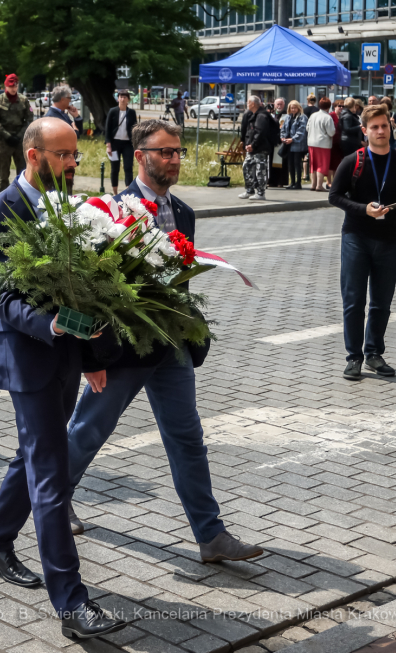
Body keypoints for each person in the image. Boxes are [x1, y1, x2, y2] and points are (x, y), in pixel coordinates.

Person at [65, 118, 265, 567]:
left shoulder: (186, 213)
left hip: (171, 345)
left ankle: (210, 536)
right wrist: (89, 356)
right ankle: (53, 499)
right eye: (164, 152)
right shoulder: (111, 213)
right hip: (125, 346)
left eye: (177, 152)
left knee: (187, 437)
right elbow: (94, 290)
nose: (174, 159)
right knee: (89, 430)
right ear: (140, 156)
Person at [0, 117, 127, 640]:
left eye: (75, 155)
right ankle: (72, 602)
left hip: (66, 359)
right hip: (29, 360)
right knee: (50, 473)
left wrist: (93, 356)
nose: (73, 164)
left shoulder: (74, 211)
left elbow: (87, 293)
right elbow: (5, 299)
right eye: (63, 156)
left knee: (34, 454)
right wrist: (51, 324)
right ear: (34, 157)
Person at [329, 105, 396, 380]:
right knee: (354, 301)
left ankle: (374, 353)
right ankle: (354, 357)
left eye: (385, 126)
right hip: (356, 237)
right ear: (365, 131)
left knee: (381, 302)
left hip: (389, 241)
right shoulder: (353, 160)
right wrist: (363, 209)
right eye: (375, 127)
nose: (381, 131)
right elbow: (334, 196)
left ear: (391, 128)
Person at [0, 74, 34, 191]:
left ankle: (22, 197)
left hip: (20, 140)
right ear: (6, 86)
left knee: (23, 173)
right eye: (10, 86)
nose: (13, 89)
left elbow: (29, 119)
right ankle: (2, 198)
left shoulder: (24, 100)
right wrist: (7, 136)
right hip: (5, 140)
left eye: (15, 86)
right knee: (3, 174)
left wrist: (19, 136)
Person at [237, 96, 272, 201]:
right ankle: (249, 190)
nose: (247, 104)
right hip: (251, 147)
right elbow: (249, 131)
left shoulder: (262, 116)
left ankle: (261, 193)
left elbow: (260, 133)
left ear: (253, 104)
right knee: (246, 166)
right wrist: (246, 143)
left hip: (260, 148)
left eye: (248, 102)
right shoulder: (251, 114)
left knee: (260, 171)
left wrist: (253, 145)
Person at [104, 90, 138, 194]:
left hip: (128, 144)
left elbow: (134, 128)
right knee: (115, 168)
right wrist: (108, 145)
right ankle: (115, 192)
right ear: (118, 98)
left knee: (128, 167)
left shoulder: (131, 113)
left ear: (128, 100)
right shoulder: (112, 111)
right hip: (114, 144)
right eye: (121, 97)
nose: (122, 99)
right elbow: (107, 129)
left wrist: (136, 143)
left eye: (125, 97)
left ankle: (129, 191)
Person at [307, 97, 336, 192]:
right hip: (323, 144)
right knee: (321, 164)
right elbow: (331, 132)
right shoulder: (328, 117)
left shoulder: (313, 115)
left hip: (311, 142)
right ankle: (319, 185)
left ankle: (313, 184)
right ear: (328, 106)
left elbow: (307, 128)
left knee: (313, 164)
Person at [280, 100, 308, 190]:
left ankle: (298, 183)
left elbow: (302, 130)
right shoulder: (288, 117)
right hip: (288, 144)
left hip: (297, 145)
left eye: (295, 107)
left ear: (298, 108)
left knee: (297, 164)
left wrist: (293, 139)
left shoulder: (302, 117)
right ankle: (292, 182)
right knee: (290, 164)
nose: (293, 109)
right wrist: (283, 137)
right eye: (291, 108)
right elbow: (283, 128)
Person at [268, 98, 288, 187]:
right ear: (274, 105)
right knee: (272, 163)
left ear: (284, 105)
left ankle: (281, 181)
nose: (279, 106)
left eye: (281, 104)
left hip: (282, 142)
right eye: (277, 104)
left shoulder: (287, 116)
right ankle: (272, 181)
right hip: (272, 142)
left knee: (282, 163)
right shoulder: (271, 115)